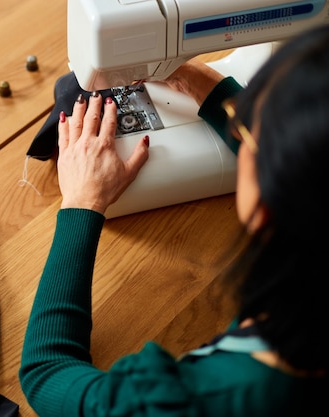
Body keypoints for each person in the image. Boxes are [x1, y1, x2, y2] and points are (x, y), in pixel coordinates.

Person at [19, 24, 329, 417]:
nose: (246, 133)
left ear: (268, 206)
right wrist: (200, 81)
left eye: (253, 134)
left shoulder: (195, 401)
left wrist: (82, 201)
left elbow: (46, 373)